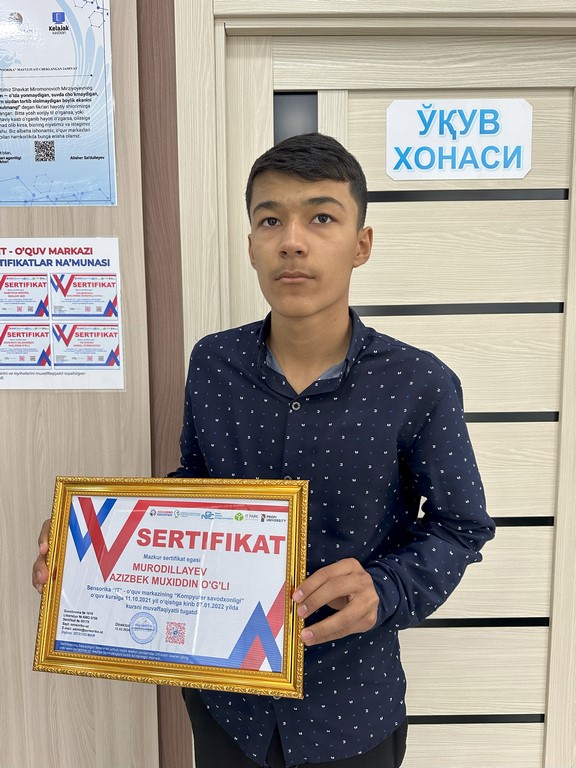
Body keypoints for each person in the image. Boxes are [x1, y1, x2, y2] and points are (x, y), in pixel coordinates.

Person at [34, 133, 495, 768]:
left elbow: (460, 527)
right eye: (270, 219)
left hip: (350, 709)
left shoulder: (418, 382)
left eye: (322, 217)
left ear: (361, 244)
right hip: (229, 702)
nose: (292, 241)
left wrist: (386, 587)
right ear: (251, 243)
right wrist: (94, 544)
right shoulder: (214, 364)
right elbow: (197, 486)